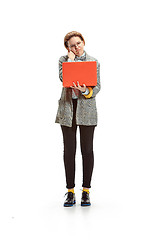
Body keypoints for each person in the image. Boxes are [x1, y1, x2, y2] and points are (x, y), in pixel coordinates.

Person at [55, 31, 101, 207]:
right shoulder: (63, 60)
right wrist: (70, 59)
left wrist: (84, 90)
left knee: (87, 150)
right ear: (68, 48)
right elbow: (62, 78)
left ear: (84, 42)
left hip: (87, 110)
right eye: (72, 45)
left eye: (78, 43)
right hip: (67, 110)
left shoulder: (93, 61)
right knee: (69, 151)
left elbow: (97, 87)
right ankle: (70, 191)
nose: (76, 47)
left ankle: (86, 191)